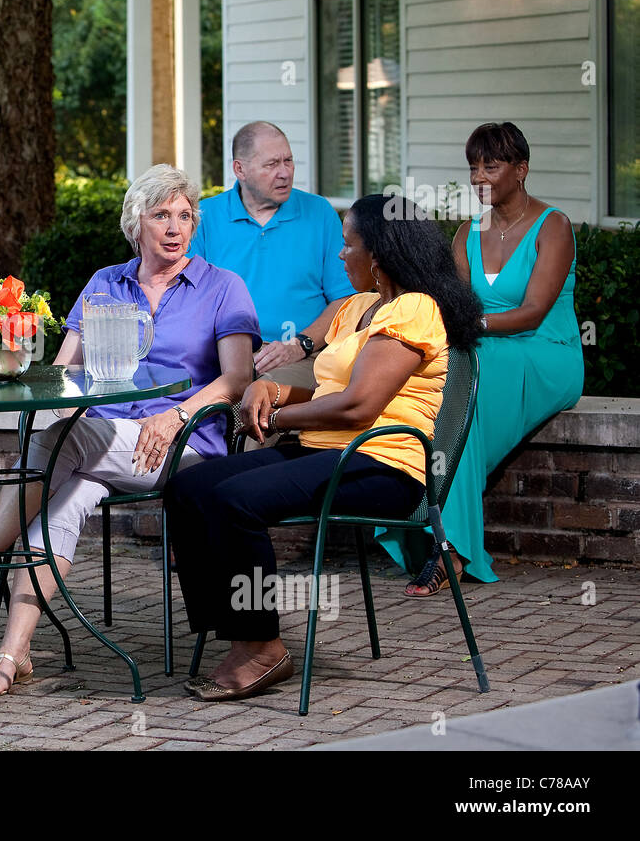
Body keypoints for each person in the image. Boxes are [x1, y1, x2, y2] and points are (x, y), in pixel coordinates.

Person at [0, 164, 260, 698]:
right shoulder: (105, 283)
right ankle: (11, 653)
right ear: (136, 223)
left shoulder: (222, 287)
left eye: (185, 216)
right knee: (60, 492)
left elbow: (237, 377)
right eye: (161, 215)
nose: (175, 226)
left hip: (180, 446)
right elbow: (63, 375)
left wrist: (175, 414)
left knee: (59, 442)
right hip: (101, 446)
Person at [163, 195, 482, 702]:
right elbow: (325, 389)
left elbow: (358, 406)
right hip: (326, 452)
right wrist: (272, 390)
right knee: (188, 487)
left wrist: (276, 416)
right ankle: (230, 630)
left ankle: (262, 646)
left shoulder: (415, 310)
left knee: (233, 501)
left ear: (376, 256)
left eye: (347, 245)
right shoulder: (356, 308)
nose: (339, 256)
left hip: (384, 466)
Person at [378, 122, 584, 596]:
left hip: (544, 354)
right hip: (484, 349)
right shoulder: (468, 232)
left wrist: (469, 329)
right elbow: (451, 302)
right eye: (474, 167)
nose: (479, 176)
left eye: (491, 165)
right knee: (432, 386)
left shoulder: (553, 226)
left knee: (464, 388)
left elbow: (533, 313)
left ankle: (450, 550)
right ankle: (423, 529)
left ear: (521, 169)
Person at [186, 122, 353, 393]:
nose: (285, 173)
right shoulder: (204, 217)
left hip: (303, 355)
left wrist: (301, 344)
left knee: (258, 398)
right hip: (222, 355)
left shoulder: (319, 213)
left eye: (288, 161)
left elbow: (345, 300)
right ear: (240, 169)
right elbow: (189, 301)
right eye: (272, 164)